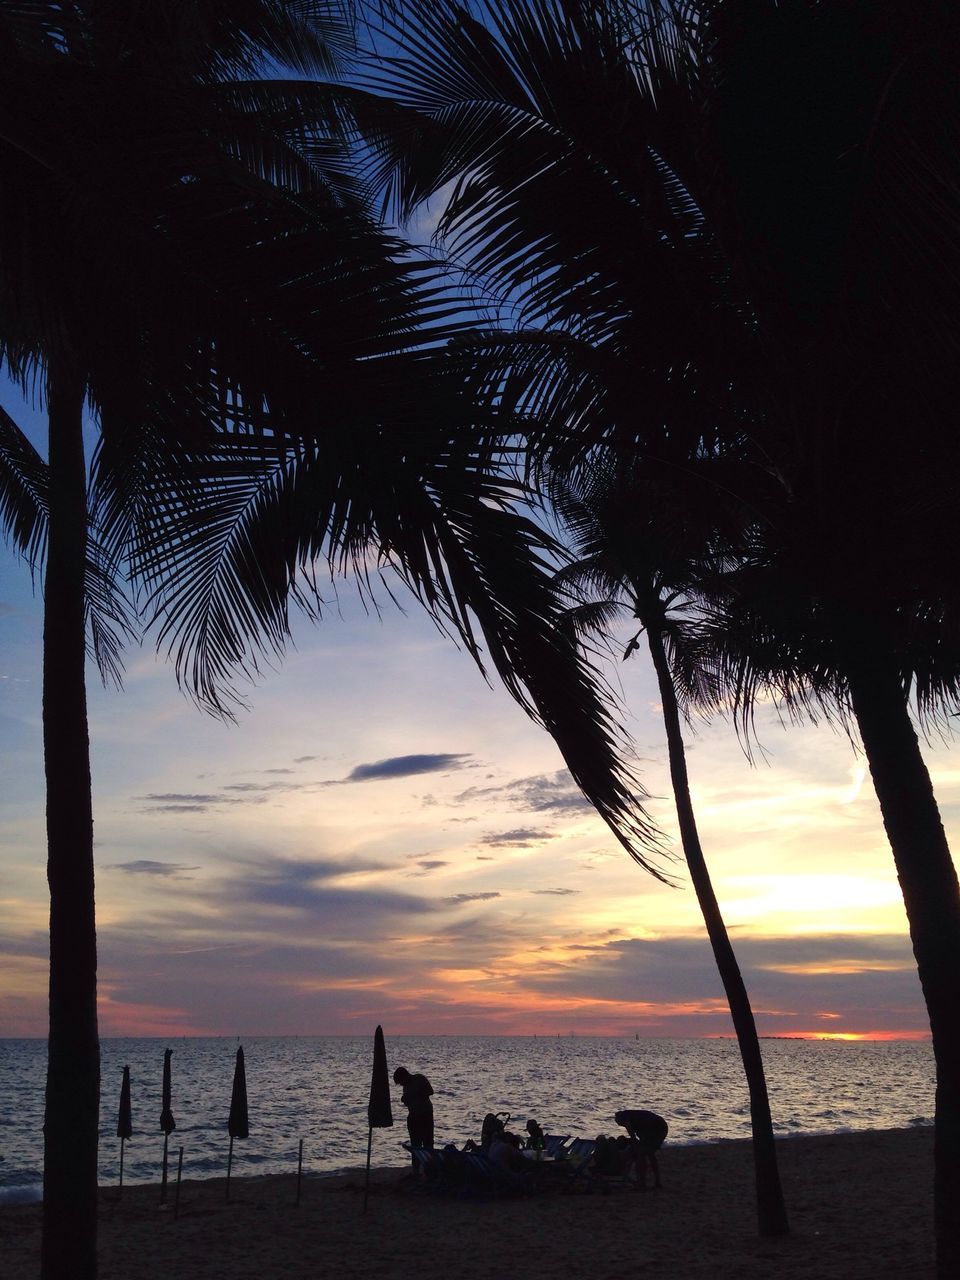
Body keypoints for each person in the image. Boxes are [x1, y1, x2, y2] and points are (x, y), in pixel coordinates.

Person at [614, 1109, 668, 1188]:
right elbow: (636, 1138)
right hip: (659, 1125)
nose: (623, 1126)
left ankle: (643, 1183)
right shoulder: (631, 1115)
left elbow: (634, 1138)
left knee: (642, 1154)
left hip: (657, 1128)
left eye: (621, 1124)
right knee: (649, 1153)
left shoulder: (627, 1119)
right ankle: (656, 1182)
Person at [394, 1066, 434, 1168]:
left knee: (427, 1143)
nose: (401, 1084)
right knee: (415, 1145)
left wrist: (413, 1095)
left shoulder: (419, 1078)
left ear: (405, 1076)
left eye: (401, 1082)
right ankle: (416, 1170)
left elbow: (430, 1091)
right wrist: (405, 1100)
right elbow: (409, 1103)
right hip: (413, 1116)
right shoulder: (405, 1087)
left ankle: (429, 1170)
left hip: (425, 1115)